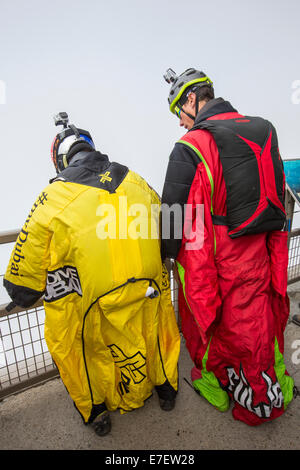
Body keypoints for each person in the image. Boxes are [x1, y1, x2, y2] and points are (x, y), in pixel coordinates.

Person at [3, 112, 180, 436]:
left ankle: (97, 413)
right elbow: (172, 229)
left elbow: (21, 276)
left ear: (60, 160)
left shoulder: (50, 197)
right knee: (158, 333)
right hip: (146, 290)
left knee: (70, 343)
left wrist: (23, 292)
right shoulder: (136, 180)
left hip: (91, 303)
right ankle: (166, 390)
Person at [161, 68, 295, 426]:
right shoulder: (264, 128)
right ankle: (271, 383)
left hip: (221, 259)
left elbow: (172, 214)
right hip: (263, 253)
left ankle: (219, 386)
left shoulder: (190, 146)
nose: (180, 123)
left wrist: (166, 255)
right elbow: (278, 189)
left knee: (215, 326)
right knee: (260, 322)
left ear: (191, 99)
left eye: (179, 112)